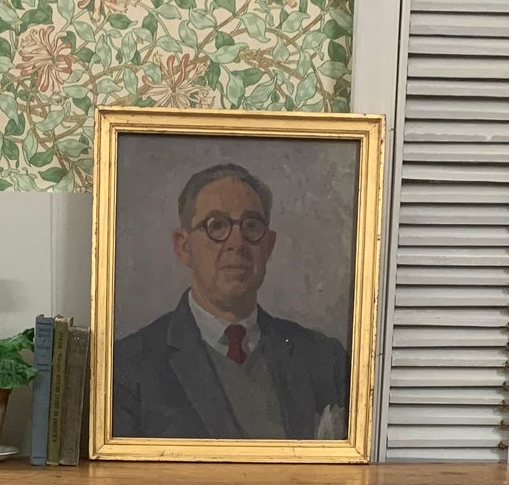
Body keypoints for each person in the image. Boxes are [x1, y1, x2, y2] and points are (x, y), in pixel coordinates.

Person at [111, 161, 350, 440]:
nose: (237, 242)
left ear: (268, 245)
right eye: (217, 225)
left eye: (251, 226)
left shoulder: (323, 359)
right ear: (183, 246)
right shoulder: (129, 367)